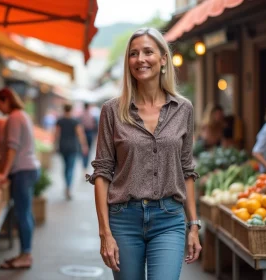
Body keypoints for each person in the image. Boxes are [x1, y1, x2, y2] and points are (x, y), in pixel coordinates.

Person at [86, 27, 202, 280]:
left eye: (148, 52)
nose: (140, 59)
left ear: (163, 59)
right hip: (123, 220)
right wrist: (105, 233)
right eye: (133, 53)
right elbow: (102, 173)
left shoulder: (183, 109)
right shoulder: (112, 110)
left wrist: (193, 225)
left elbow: (187, 170)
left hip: (169, 219)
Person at [0, 87, 41, 270]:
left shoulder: (14, 117)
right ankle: (25, 253)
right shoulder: (22, 115)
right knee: (25, 213)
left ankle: (26, 255)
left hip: (22, 170)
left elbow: (12, 148)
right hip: (29, 169)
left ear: (6, 100)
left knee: (23, 214)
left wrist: (4, 173)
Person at [54, 103, 88, 200]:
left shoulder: (60, 121)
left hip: (63, 146)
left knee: (65, 167)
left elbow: (56, 134)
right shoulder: (75, 121)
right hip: (73, 147)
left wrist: (54, 145)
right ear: (71, 109)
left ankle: (67, 185)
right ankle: (69, 187)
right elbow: (80, 134)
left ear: (64, 109)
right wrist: (84, 146)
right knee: (71, 168)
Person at [80, 103, 98, 172]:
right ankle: (85, 166)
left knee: (83, 150)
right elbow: (95, 126)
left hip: (83, 133)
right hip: (90, 134)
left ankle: (84, 166)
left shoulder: (81, 116)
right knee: (88, 151)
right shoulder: (92, 115)